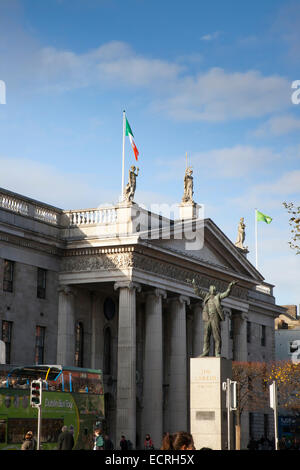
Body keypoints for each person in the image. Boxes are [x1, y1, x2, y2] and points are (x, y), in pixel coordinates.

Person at [188, 278, 237, 357]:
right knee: (206, 335)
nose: (214, 290)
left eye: (215, 289)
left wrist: (230, 286)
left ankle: (217, 352)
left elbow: (226, 294)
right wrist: (194, 284)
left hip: (215, 317)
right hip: (208, 318)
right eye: (213, 289)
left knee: (216, 336)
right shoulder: (206, 296)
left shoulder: (218, 297)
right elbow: (198, 292)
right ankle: (205, 351)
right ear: (210, 290)